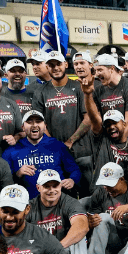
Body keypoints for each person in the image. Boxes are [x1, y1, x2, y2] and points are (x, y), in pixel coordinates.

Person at [33, 50, 93, 182]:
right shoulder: (40, 92)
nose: (55, 68)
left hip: (81, 150)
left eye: (58, 64)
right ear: (47, 67)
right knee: (61, 192)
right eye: (51, 65)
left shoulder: (78, 86)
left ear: (65, 64)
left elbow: (88, 118)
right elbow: (38, 123)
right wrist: (54, 144)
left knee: (88, 191)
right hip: (54, 152)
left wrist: (70, 141)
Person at [2, 110, 81, 196]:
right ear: (23, 127)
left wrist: (72, 180)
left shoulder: (58, 146)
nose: (34, 125)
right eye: (29, 122)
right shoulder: (11, 151)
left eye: (38, 122)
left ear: (45, 126)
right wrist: (18, 174)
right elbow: (3, 182)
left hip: (57, 200)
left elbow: (75, 170)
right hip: (27, 202)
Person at [92, 52, 128, 134]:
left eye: (100, 70)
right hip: (109, 140)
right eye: (95, 71)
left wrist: (119, 146)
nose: (97, 74)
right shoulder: (98, 90)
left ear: (112, 69)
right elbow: (98, 122)